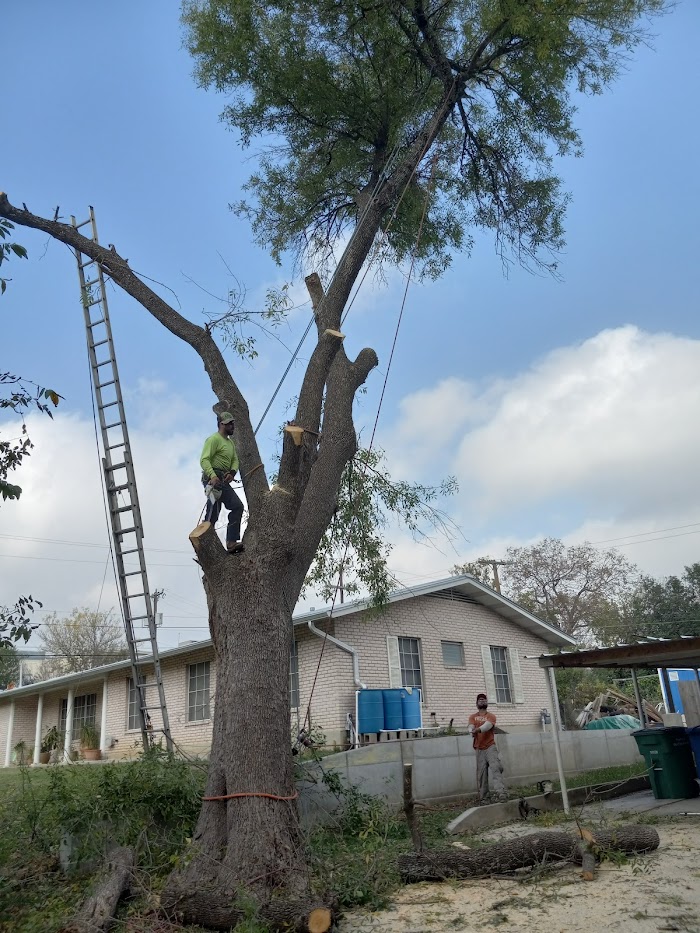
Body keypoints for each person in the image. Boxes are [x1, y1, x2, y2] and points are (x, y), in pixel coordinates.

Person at [200, 412, 245, 553]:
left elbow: (235, 460)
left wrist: (232, 472)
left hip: (222, 479)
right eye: (229, 424)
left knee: (235, 506)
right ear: (221, 424)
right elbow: (204, 460)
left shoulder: (230, 443)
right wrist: (212, 476)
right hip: (213, 479)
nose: (232, 426)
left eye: (233, 423)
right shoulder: (213, 439)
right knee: (216, 509)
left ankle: (230, 541)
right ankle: (209, 541)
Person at [468, 692, 507, 804]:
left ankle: (501, 794)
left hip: (490, 746)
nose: (482, 701)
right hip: (479, 748)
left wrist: (477, 730)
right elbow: (470, 726)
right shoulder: (472, 717)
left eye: (484, 700)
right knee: (482, 774)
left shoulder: (491, 716)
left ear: (487, 703)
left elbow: (487, 726)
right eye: (480, 700)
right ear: (476, 703)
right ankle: (484, 798)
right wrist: (471, 730)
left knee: (496, 768)